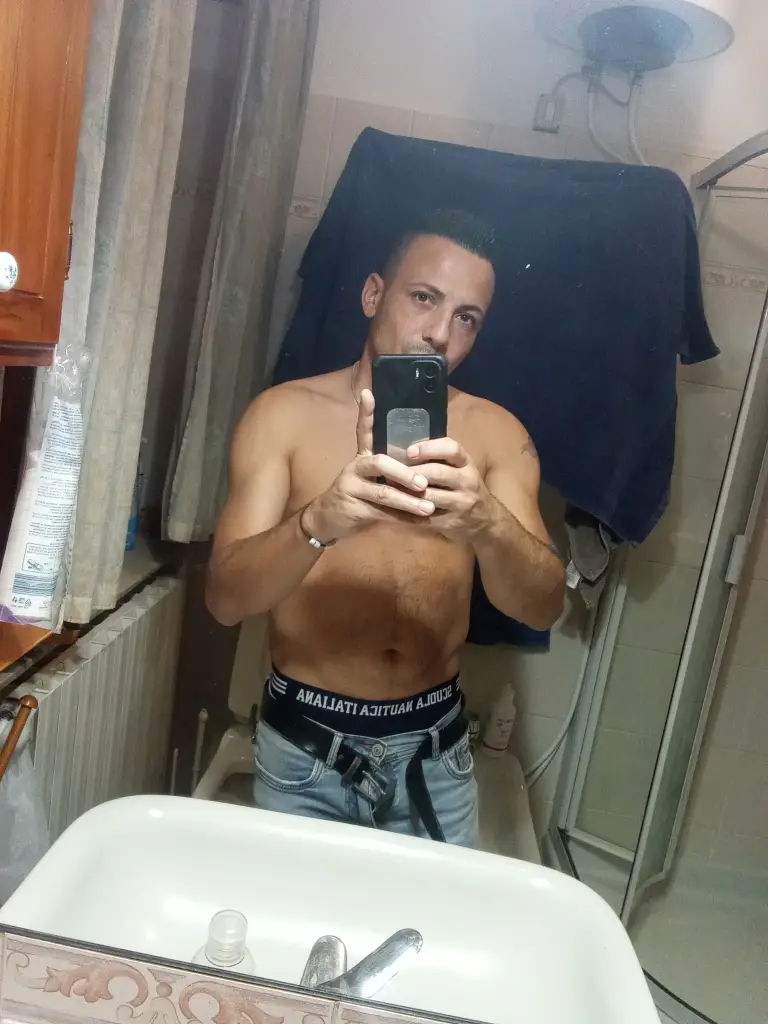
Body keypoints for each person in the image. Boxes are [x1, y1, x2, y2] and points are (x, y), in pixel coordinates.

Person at [206, 210, 565, 846]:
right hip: (305, 747)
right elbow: (226, 601)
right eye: (424, 298)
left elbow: (542, 607)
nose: (440, 334)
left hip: (435, 755)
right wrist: (319, 521)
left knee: (431, 915)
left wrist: (486, 521)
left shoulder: (496, 435)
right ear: (374, 294)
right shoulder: (283, 416)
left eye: (466, 318)